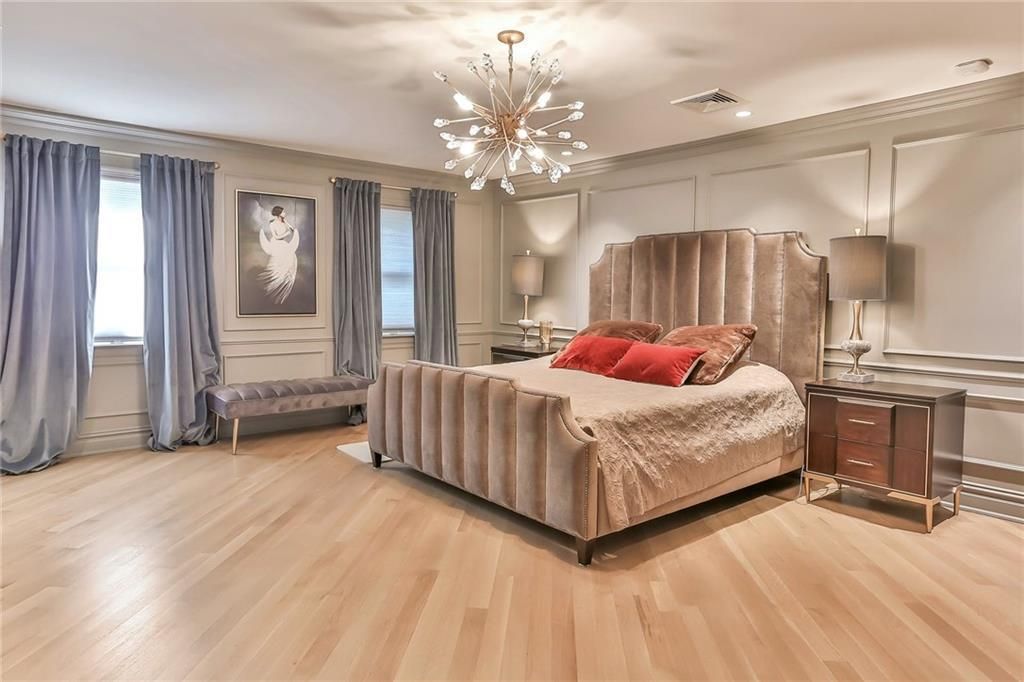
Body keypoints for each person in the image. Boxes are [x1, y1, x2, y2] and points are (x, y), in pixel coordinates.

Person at [258, 205, 300, 304]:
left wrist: (286, 222)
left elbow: (292, 230)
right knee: (279, 264)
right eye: (283, 212)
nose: (285, 213)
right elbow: (276, 237)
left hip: (283, 244)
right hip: (277, 244)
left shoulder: (284, 222)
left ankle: (282, 282)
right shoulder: (272, 224)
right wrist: (286, 234)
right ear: (278, 213)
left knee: (291, 260)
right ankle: (272, 284)